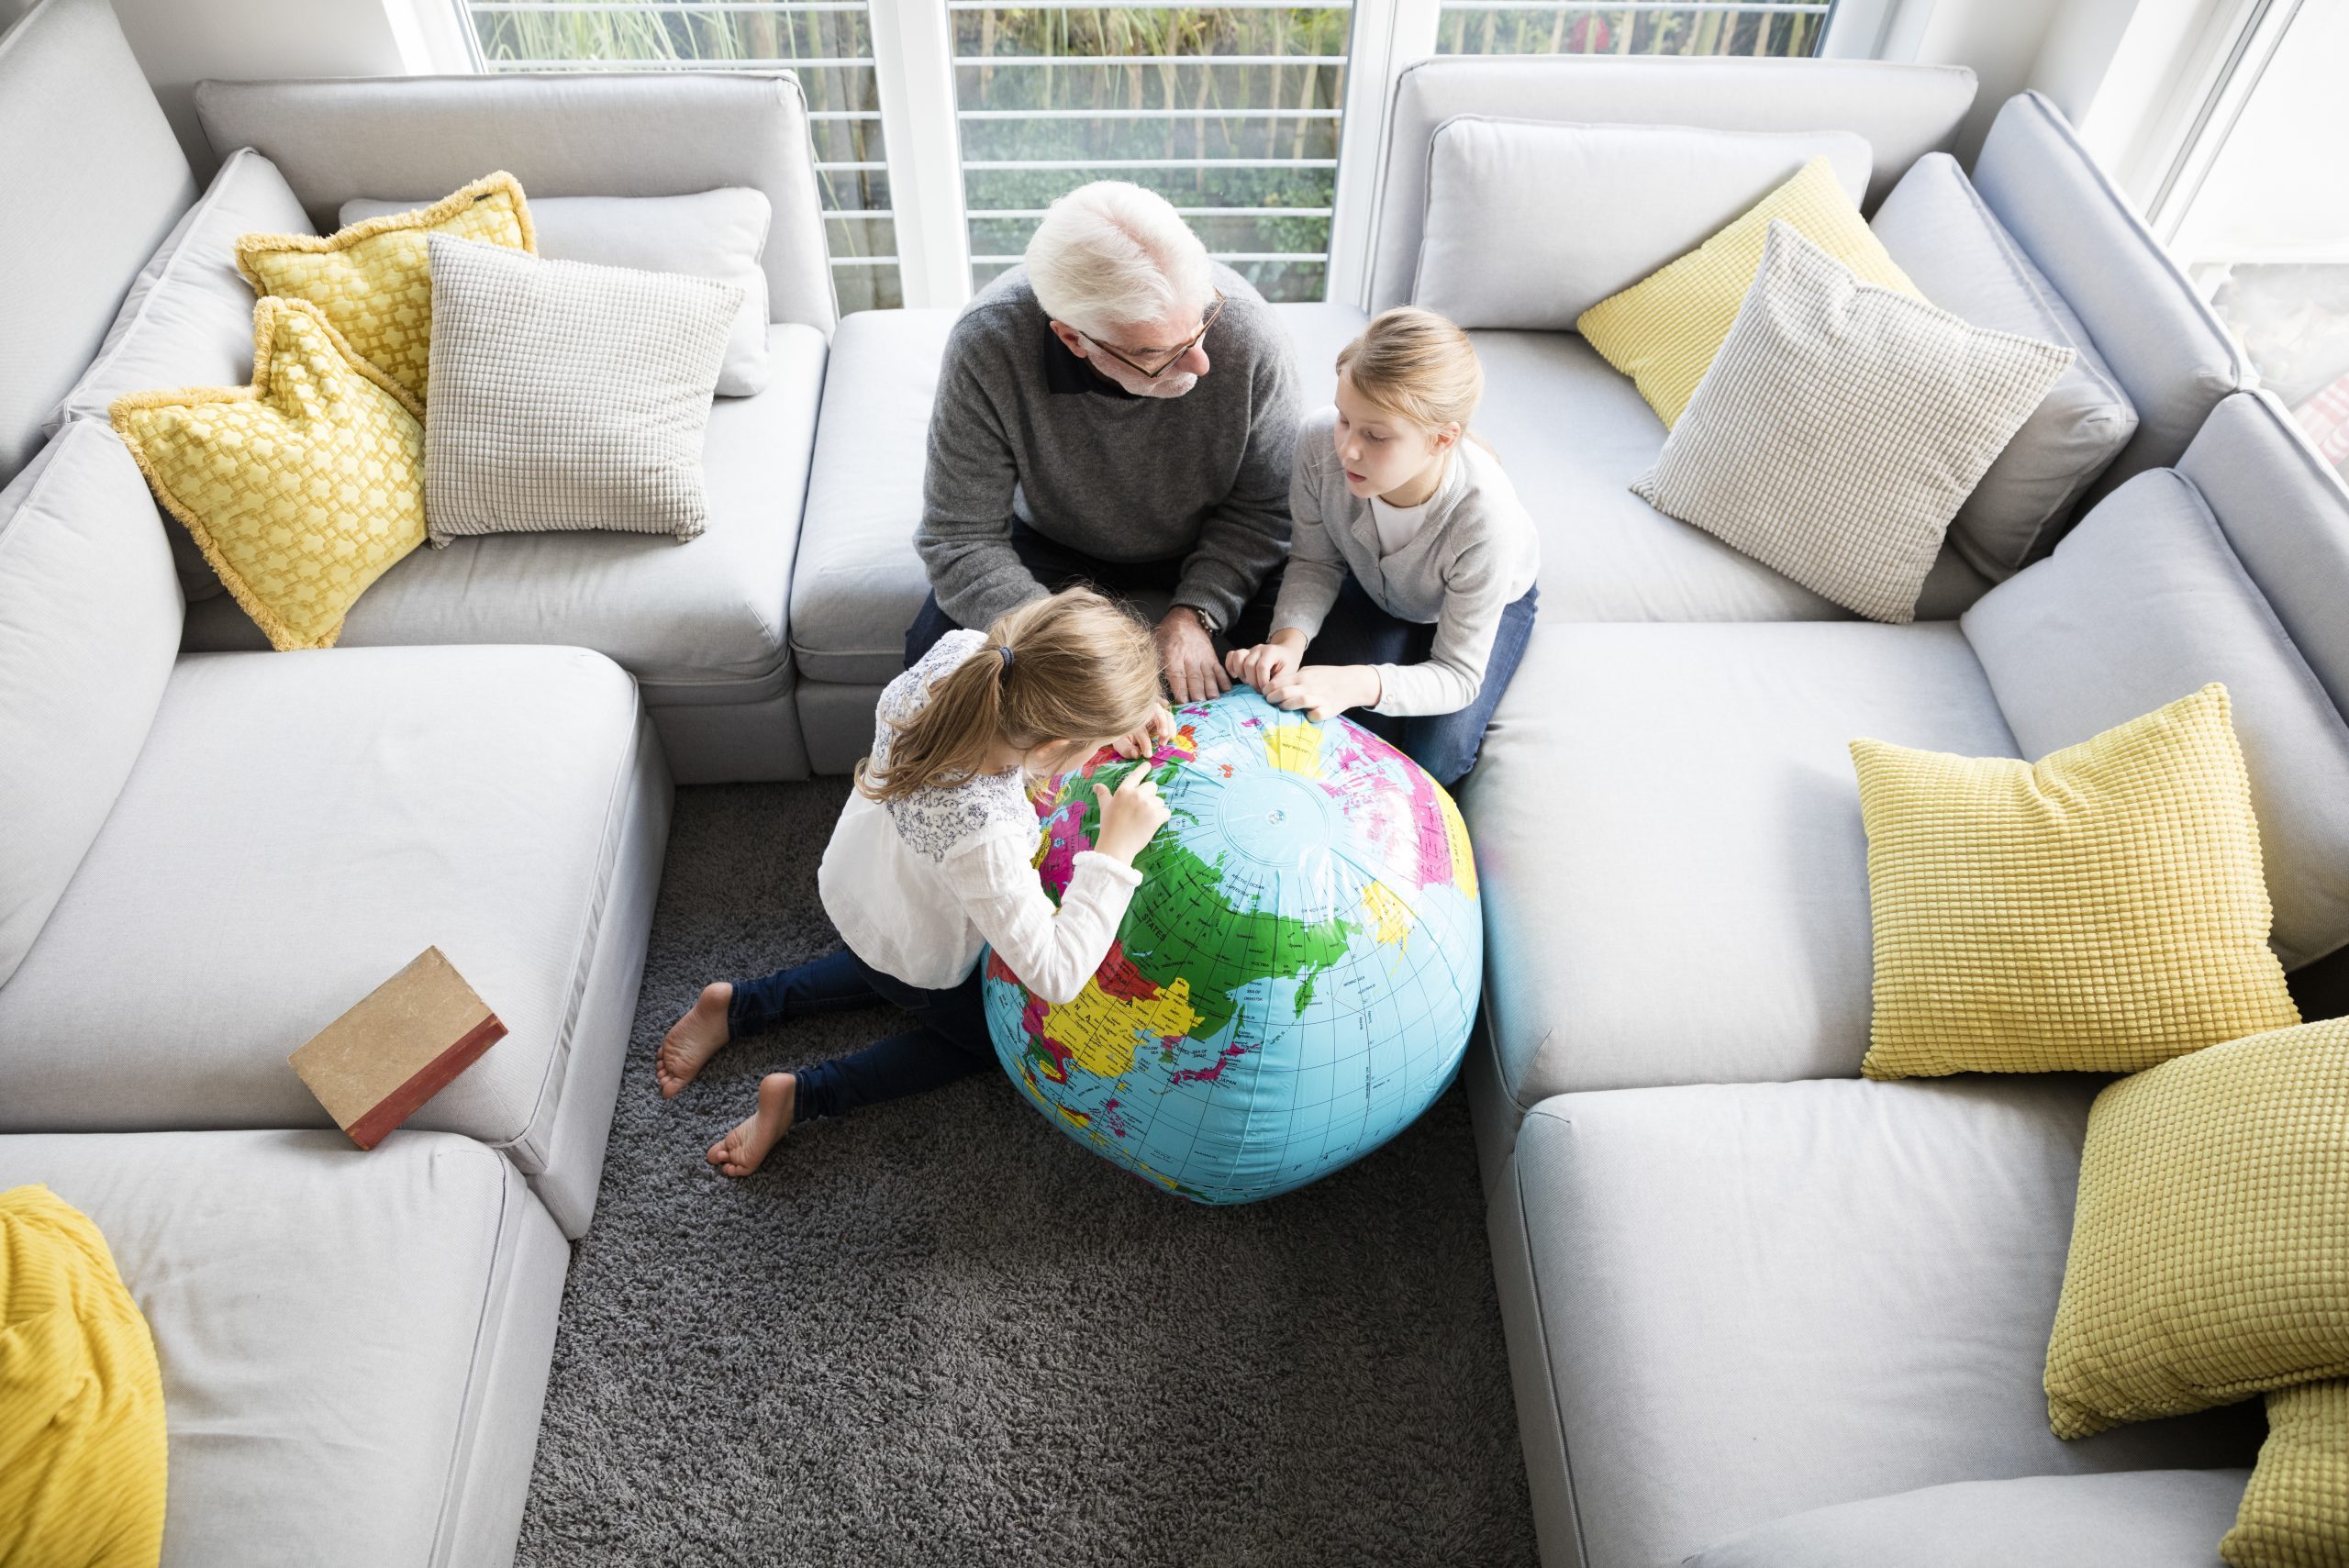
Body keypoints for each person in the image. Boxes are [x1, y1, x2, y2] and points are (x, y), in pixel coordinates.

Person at [657, 589, 1174, 1177]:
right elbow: (1056, 973)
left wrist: (1121, 707)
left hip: (865, 886)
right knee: (984, 1041)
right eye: (1095, 747)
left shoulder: (966, 655)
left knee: (880, 961)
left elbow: (1044, 699)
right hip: (919, 943)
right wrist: (1114, 852)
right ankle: (806, 1094)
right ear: (1055, 746)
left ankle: (742, 1005)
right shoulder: (987, 833)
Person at [908, 181, 1301, 704]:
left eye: (1201, 325)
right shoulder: (988, 343)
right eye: (1157, 352)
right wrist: (1074, 655)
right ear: (1073, 339)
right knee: (940, 677)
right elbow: (958, 537)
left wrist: (1196, 612)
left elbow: (1266, 511)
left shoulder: (1251, 336)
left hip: (1210, 537)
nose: (1201, 364)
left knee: (1307, 677)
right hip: (1052, 541)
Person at [1225, 307, 1541, 787]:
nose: (1348, 448)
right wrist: (1288, 642)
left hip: (1486, 598)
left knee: (1435, 761)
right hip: (1375, 583)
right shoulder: (1318, 443)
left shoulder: (1485, 519)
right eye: (1344, 419)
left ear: (1441, 439)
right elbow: (1314, 560)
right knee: (1354, 727)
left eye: (1375, 435)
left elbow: (1457, 674)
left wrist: (1356, 681)